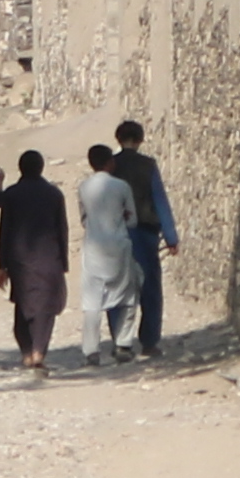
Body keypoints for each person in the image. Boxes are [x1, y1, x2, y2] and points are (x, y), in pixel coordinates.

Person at [0, 145, 71, 375]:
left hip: (19, 260)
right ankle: (39, 351)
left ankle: (27, 351)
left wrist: (2, 264)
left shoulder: (13, 194)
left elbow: (4, 230)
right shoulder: (54, 194)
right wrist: (63, 262)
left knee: (23, 305)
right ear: (41, 168)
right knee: (45, 309)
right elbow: (62, 229)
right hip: (49, 259)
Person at [108, 118, 180, 355]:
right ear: (140, 139)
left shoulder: (111, 165)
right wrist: (170, 236)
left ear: (118, 139)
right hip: (146, 233)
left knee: (119, 285)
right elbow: (159, 199)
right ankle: (149, 341)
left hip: (117, 233)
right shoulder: (148, 165)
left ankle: (120, 340)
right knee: (149, 286)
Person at [72, 138, 144, 361]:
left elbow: (84, 219)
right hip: (119, 246)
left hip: (93, 249)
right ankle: (123, 344)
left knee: (92, 302)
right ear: (110, 162)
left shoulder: (83, 187)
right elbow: (132, 220)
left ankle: (91, 350)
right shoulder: (122, 187)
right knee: (127, 295)